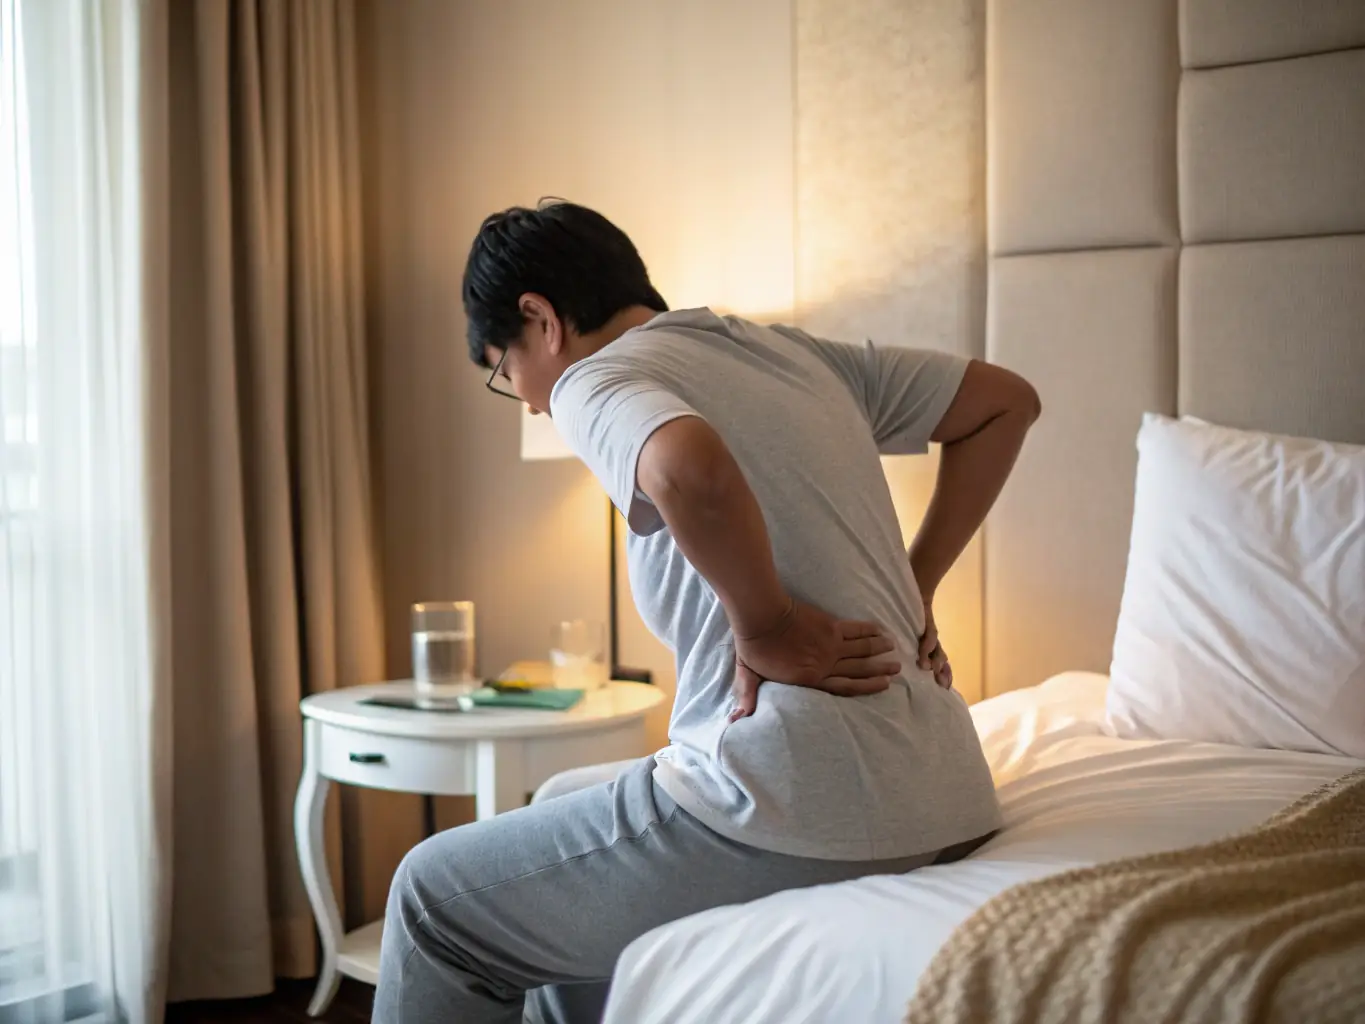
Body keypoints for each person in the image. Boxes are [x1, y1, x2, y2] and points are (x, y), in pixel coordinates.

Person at [372, 200, 1040, 1024]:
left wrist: (768, 627)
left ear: (539, 320)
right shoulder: (791, 353)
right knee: (559, 798)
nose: (529, 403)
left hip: (796, 805)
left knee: (430, 899)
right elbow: (1005, 401)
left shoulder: (593, 378)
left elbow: (688, 467)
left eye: (502, 372)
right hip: (947, 796)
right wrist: (915, 584)